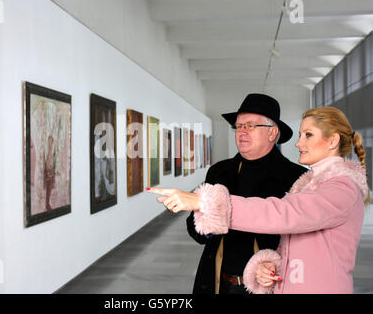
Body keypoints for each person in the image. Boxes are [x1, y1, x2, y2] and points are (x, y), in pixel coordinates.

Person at [148, 106, 371, 294]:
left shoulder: (338, 186)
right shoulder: (308, 183)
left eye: (308, 135)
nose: (297, 143)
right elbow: (297, 244)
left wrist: (205, 203)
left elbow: (282, 214)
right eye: (239, 126)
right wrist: (271, 264)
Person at [186, 93, 307, 294]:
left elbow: (303, 242)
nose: (242, 132)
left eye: (250, 126)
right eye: (239, 126)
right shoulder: (219, 172)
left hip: (269, 286)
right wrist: (207, 225)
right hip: (219, 283)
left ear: (272, 132)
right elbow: (195, 229)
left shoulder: (296, 177)